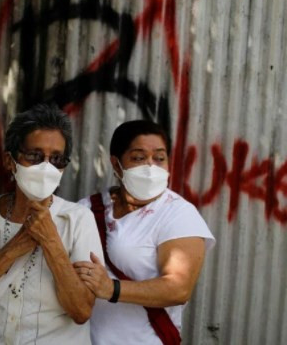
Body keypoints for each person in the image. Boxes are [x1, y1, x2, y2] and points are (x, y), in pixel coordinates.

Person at [0, 103, 104, 344]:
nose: (46, 167)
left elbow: (81, 311)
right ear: (10, 161)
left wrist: (51, 242)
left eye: (56, 159)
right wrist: (12, 249)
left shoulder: (78, 219)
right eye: (34, 156)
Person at [73, 120, 215, 345]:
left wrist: (111, 288)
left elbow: (178, 289)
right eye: (138, 158)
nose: (151, 167)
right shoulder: (86, 209)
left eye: (159, 158)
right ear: (117, 164)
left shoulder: (178, 214)